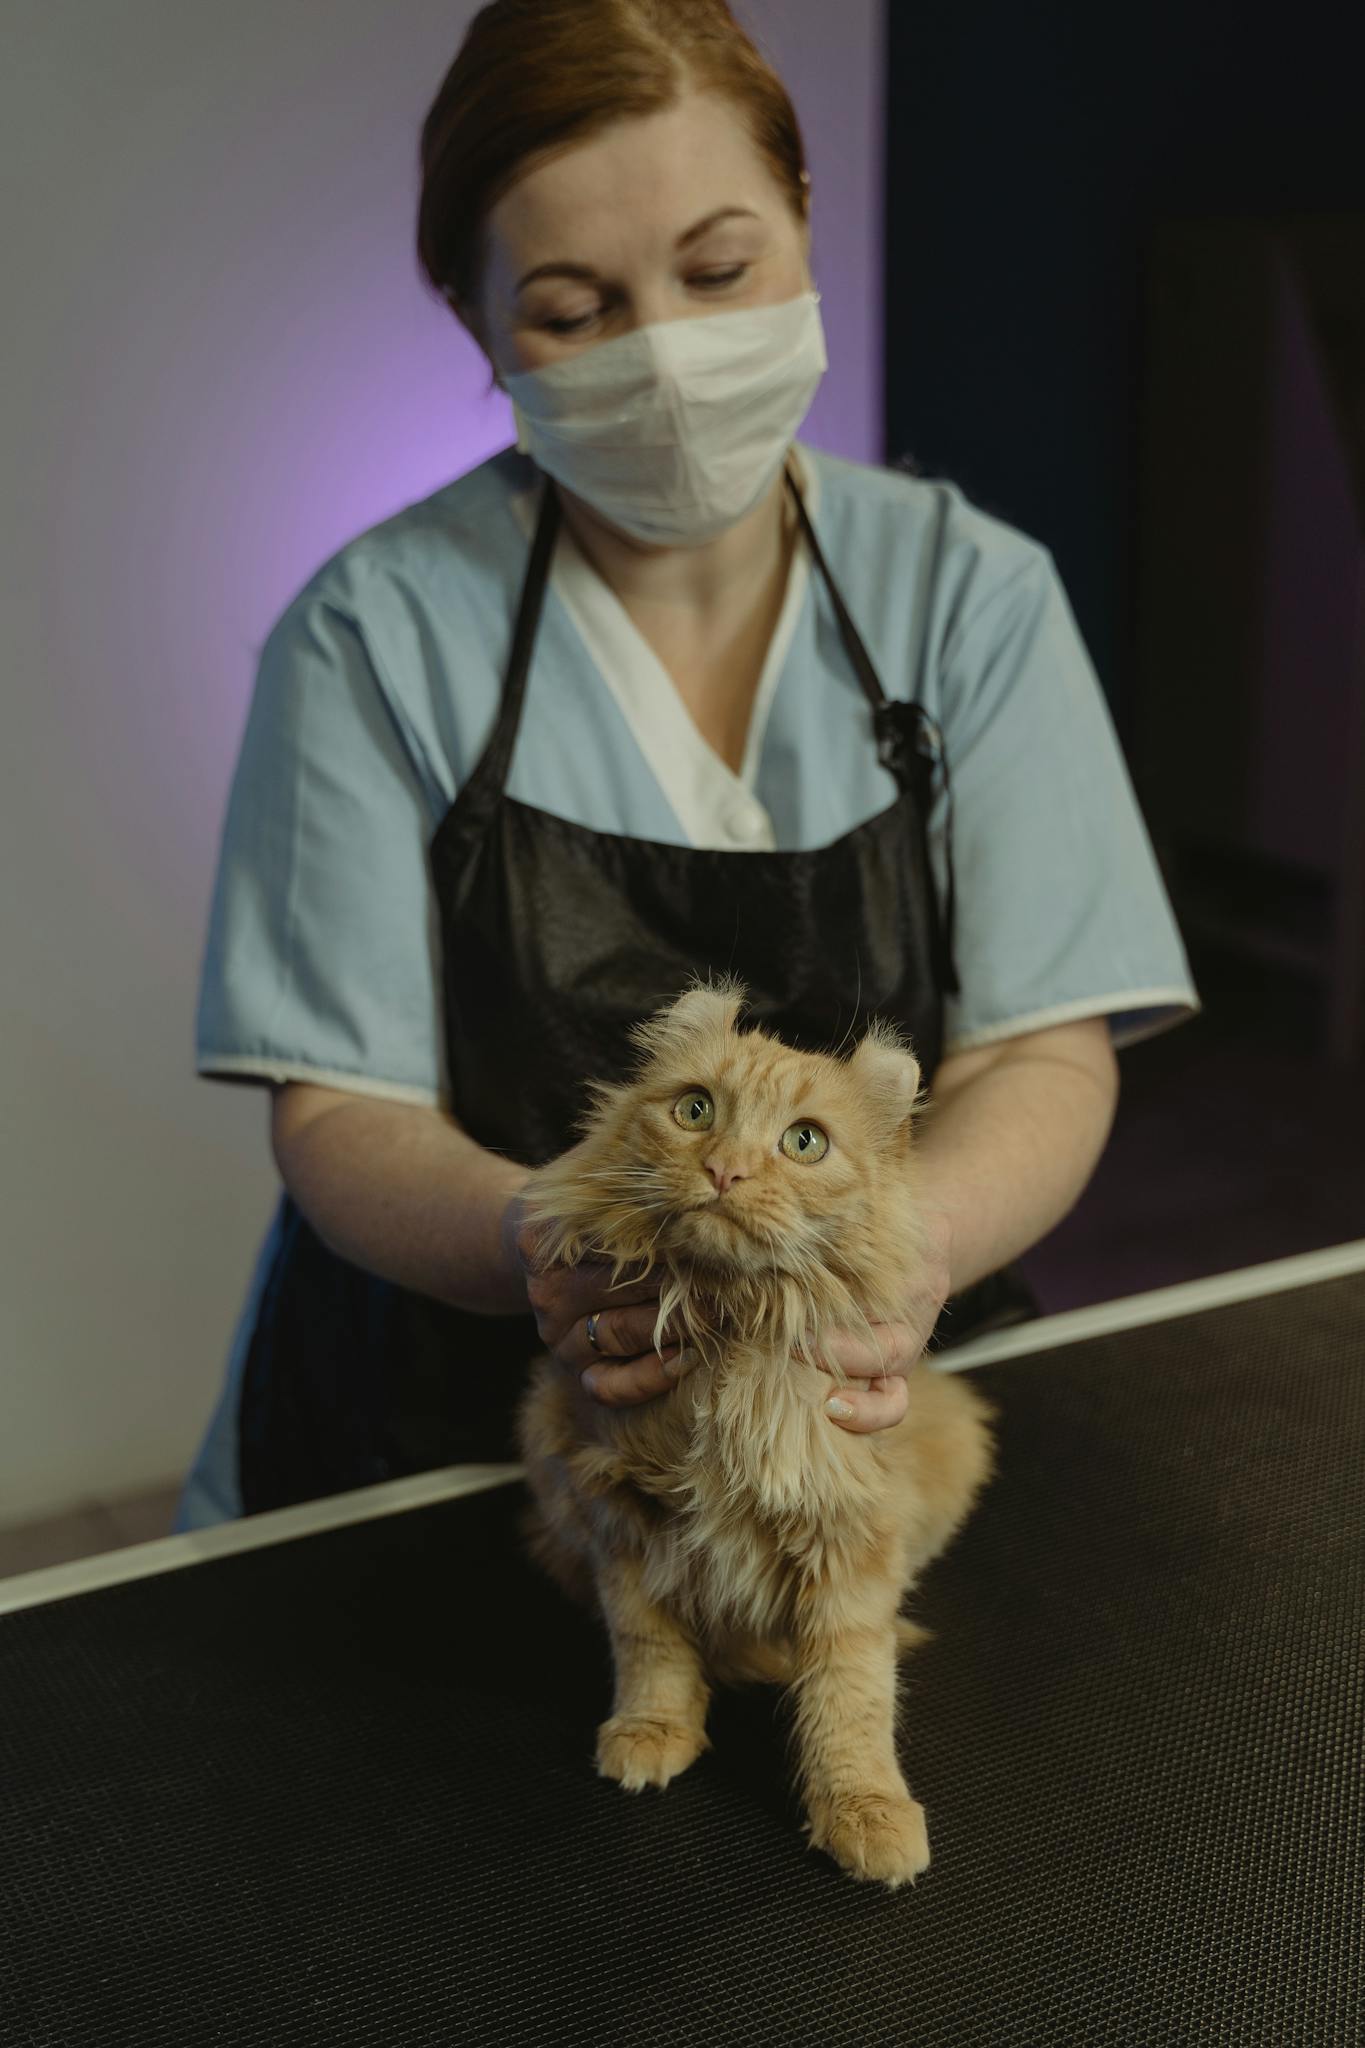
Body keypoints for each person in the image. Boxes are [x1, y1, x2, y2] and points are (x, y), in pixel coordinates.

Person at [175, 0, 1199, 1531]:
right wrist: (548, 1245)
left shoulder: (967, 593)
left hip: (862, 1396)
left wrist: (897, 1252)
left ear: (798, 218)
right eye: (574, 310)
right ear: (475, 325)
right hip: (441, 1437)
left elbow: (1040, 1053)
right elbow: (339, 1117)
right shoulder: (371, 633)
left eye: (719, 271)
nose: (663, 357)